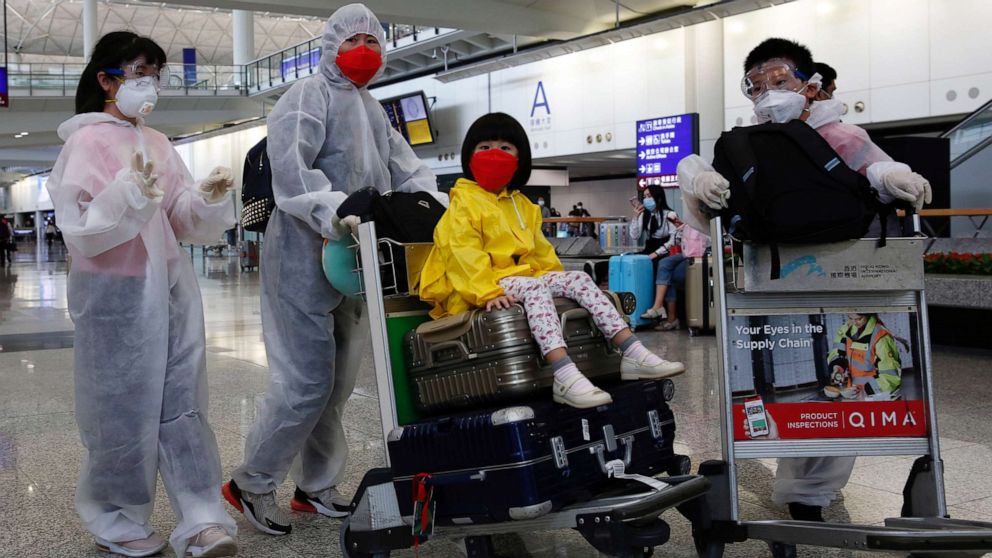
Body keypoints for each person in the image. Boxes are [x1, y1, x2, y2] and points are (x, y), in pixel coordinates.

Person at [677, 38, 931, 523]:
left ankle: (809, 494)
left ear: (810, 86)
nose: (768, 93)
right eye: (756, 85)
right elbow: (704, 209)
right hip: (775, 291)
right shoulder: (742, 145)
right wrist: (692, 176)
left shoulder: (845, 137)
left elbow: (874, 172)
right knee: (794, 388)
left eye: (779, 80)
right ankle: (805, 491)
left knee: (847, 387)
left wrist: (892, 173)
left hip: (845, 285)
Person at [224, 4, 443, 536]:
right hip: (302, 256)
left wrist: (435, 205)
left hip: (352, 259)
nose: (365, 48)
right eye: (354, 39)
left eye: (374, 39)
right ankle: (251, 482)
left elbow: (406, 166)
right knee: (305, 382)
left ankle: (314, 488)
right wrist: (338, 208)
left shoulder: (371, 107)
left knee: (338, 384)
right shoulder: (307, 96)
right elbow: (293, 175)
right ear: (330, 47)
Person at [47, 31, 238, 557]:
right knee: (119, 409)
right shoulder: (84, 143)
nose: (149, 82)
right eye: (138, 71)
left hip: (172, 289)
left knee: (183, 404)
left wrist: (204, 198)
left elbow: (179, 218)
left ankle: (201, 518)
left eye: (156, 72)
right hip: (115, 297)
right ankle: (118, 519)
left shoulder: (157, 142)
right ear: (106, 80)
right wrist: (124, 195)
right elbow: (80, 227)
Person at [419, 113, 685, 409]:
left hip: (517, 279)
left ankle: (631, 351)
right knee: (534, 289)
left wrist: (559, 283)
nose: (494, 154)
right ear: (469, 157)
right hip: (479, 286)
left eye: (505, 148)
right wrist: (487, 292)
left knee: (578, 278)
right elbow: (462, 254)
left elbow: (541, 253)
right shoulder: (463, 203)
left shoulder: (523, 205)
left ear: (520, 158)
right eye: (484, 147)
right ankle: (563, 373)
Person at [648, 220, 711, 332]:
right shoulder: (687, 222)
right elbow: (674, 241)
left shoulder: (707, 223)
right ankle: (658, 306)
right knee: (664, 263)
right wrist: (682, 228)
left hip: (698, 255)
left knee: (670, 275)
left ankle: (672, 319)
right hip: (686, 253)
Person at [630, 185, 679, 321]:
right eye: (644, 197)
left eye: (649, 196)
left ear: (658, 197)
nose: (646, 200)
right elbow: (634, 235)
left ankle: (663, 311)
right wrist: (636, 217)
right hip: (649, 247)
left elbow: (673, 240)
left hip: (664, 250)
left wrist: (656, 254)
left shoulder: (670, 214)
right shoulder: (645, 215)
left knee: (661, 270)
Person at [824, 313, 902, 399]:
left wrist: (866, 391)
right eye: (850, 318)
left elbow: (890, 377)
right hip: (854, 394)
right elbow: (837, 352)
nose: (854, 322)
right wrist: (837, 367)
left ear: (868, 315)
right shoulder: (846, 330)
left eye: (859, 319)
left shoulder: (881, 338)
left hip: (876, 396)